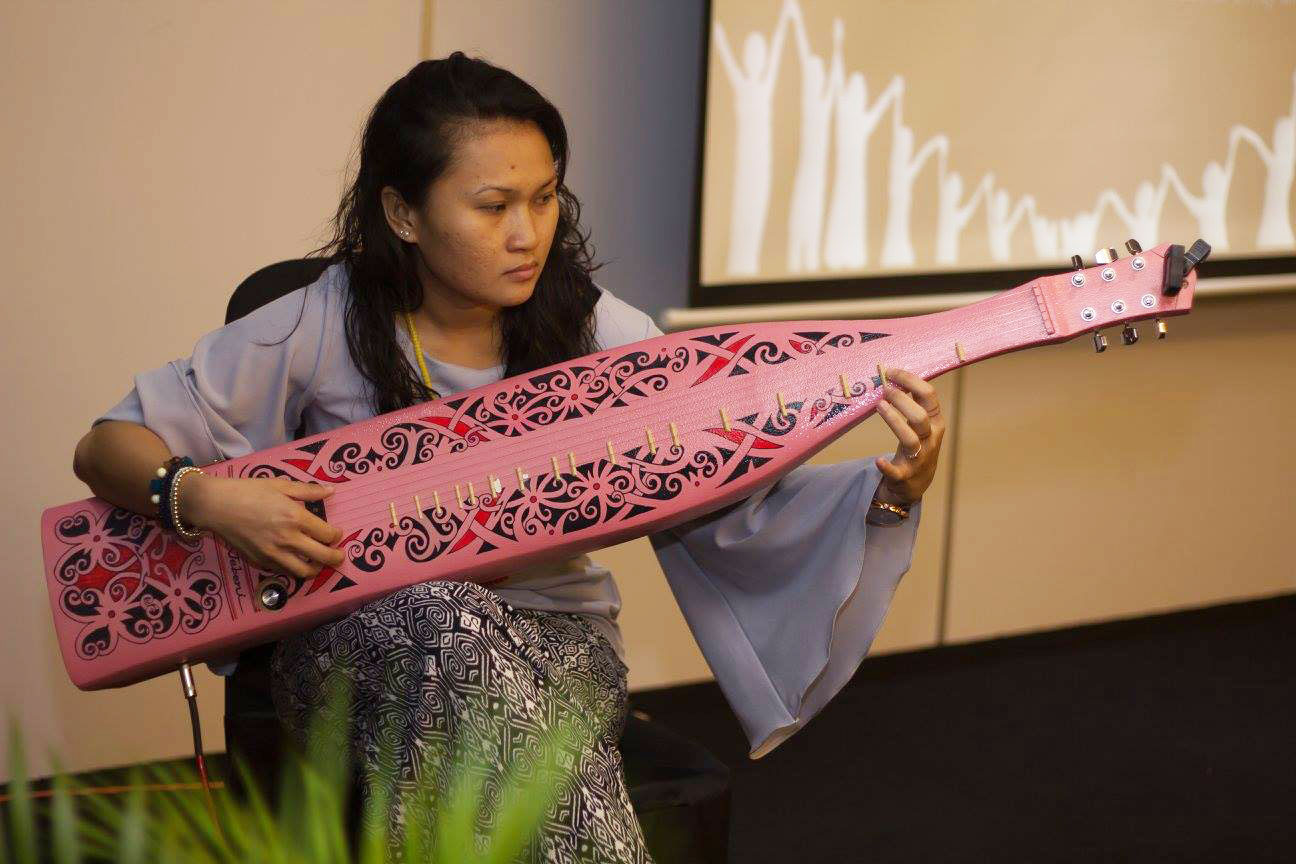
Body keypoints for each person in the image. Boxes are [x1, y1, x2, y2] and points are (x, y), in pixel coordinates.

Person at [71, 53, 945, 862]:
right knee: (436, 613)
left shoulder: (603, 337)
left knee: (465, 660)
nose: (529, 233)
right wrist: (206, 500)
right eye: (493, 207)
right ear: (402, 212)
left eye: (545, 198)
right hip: (350, 654)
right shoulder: (318, 321)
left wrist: (892, 492)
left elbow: (739, 505)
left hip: (556, 646)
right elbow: (107, 447)